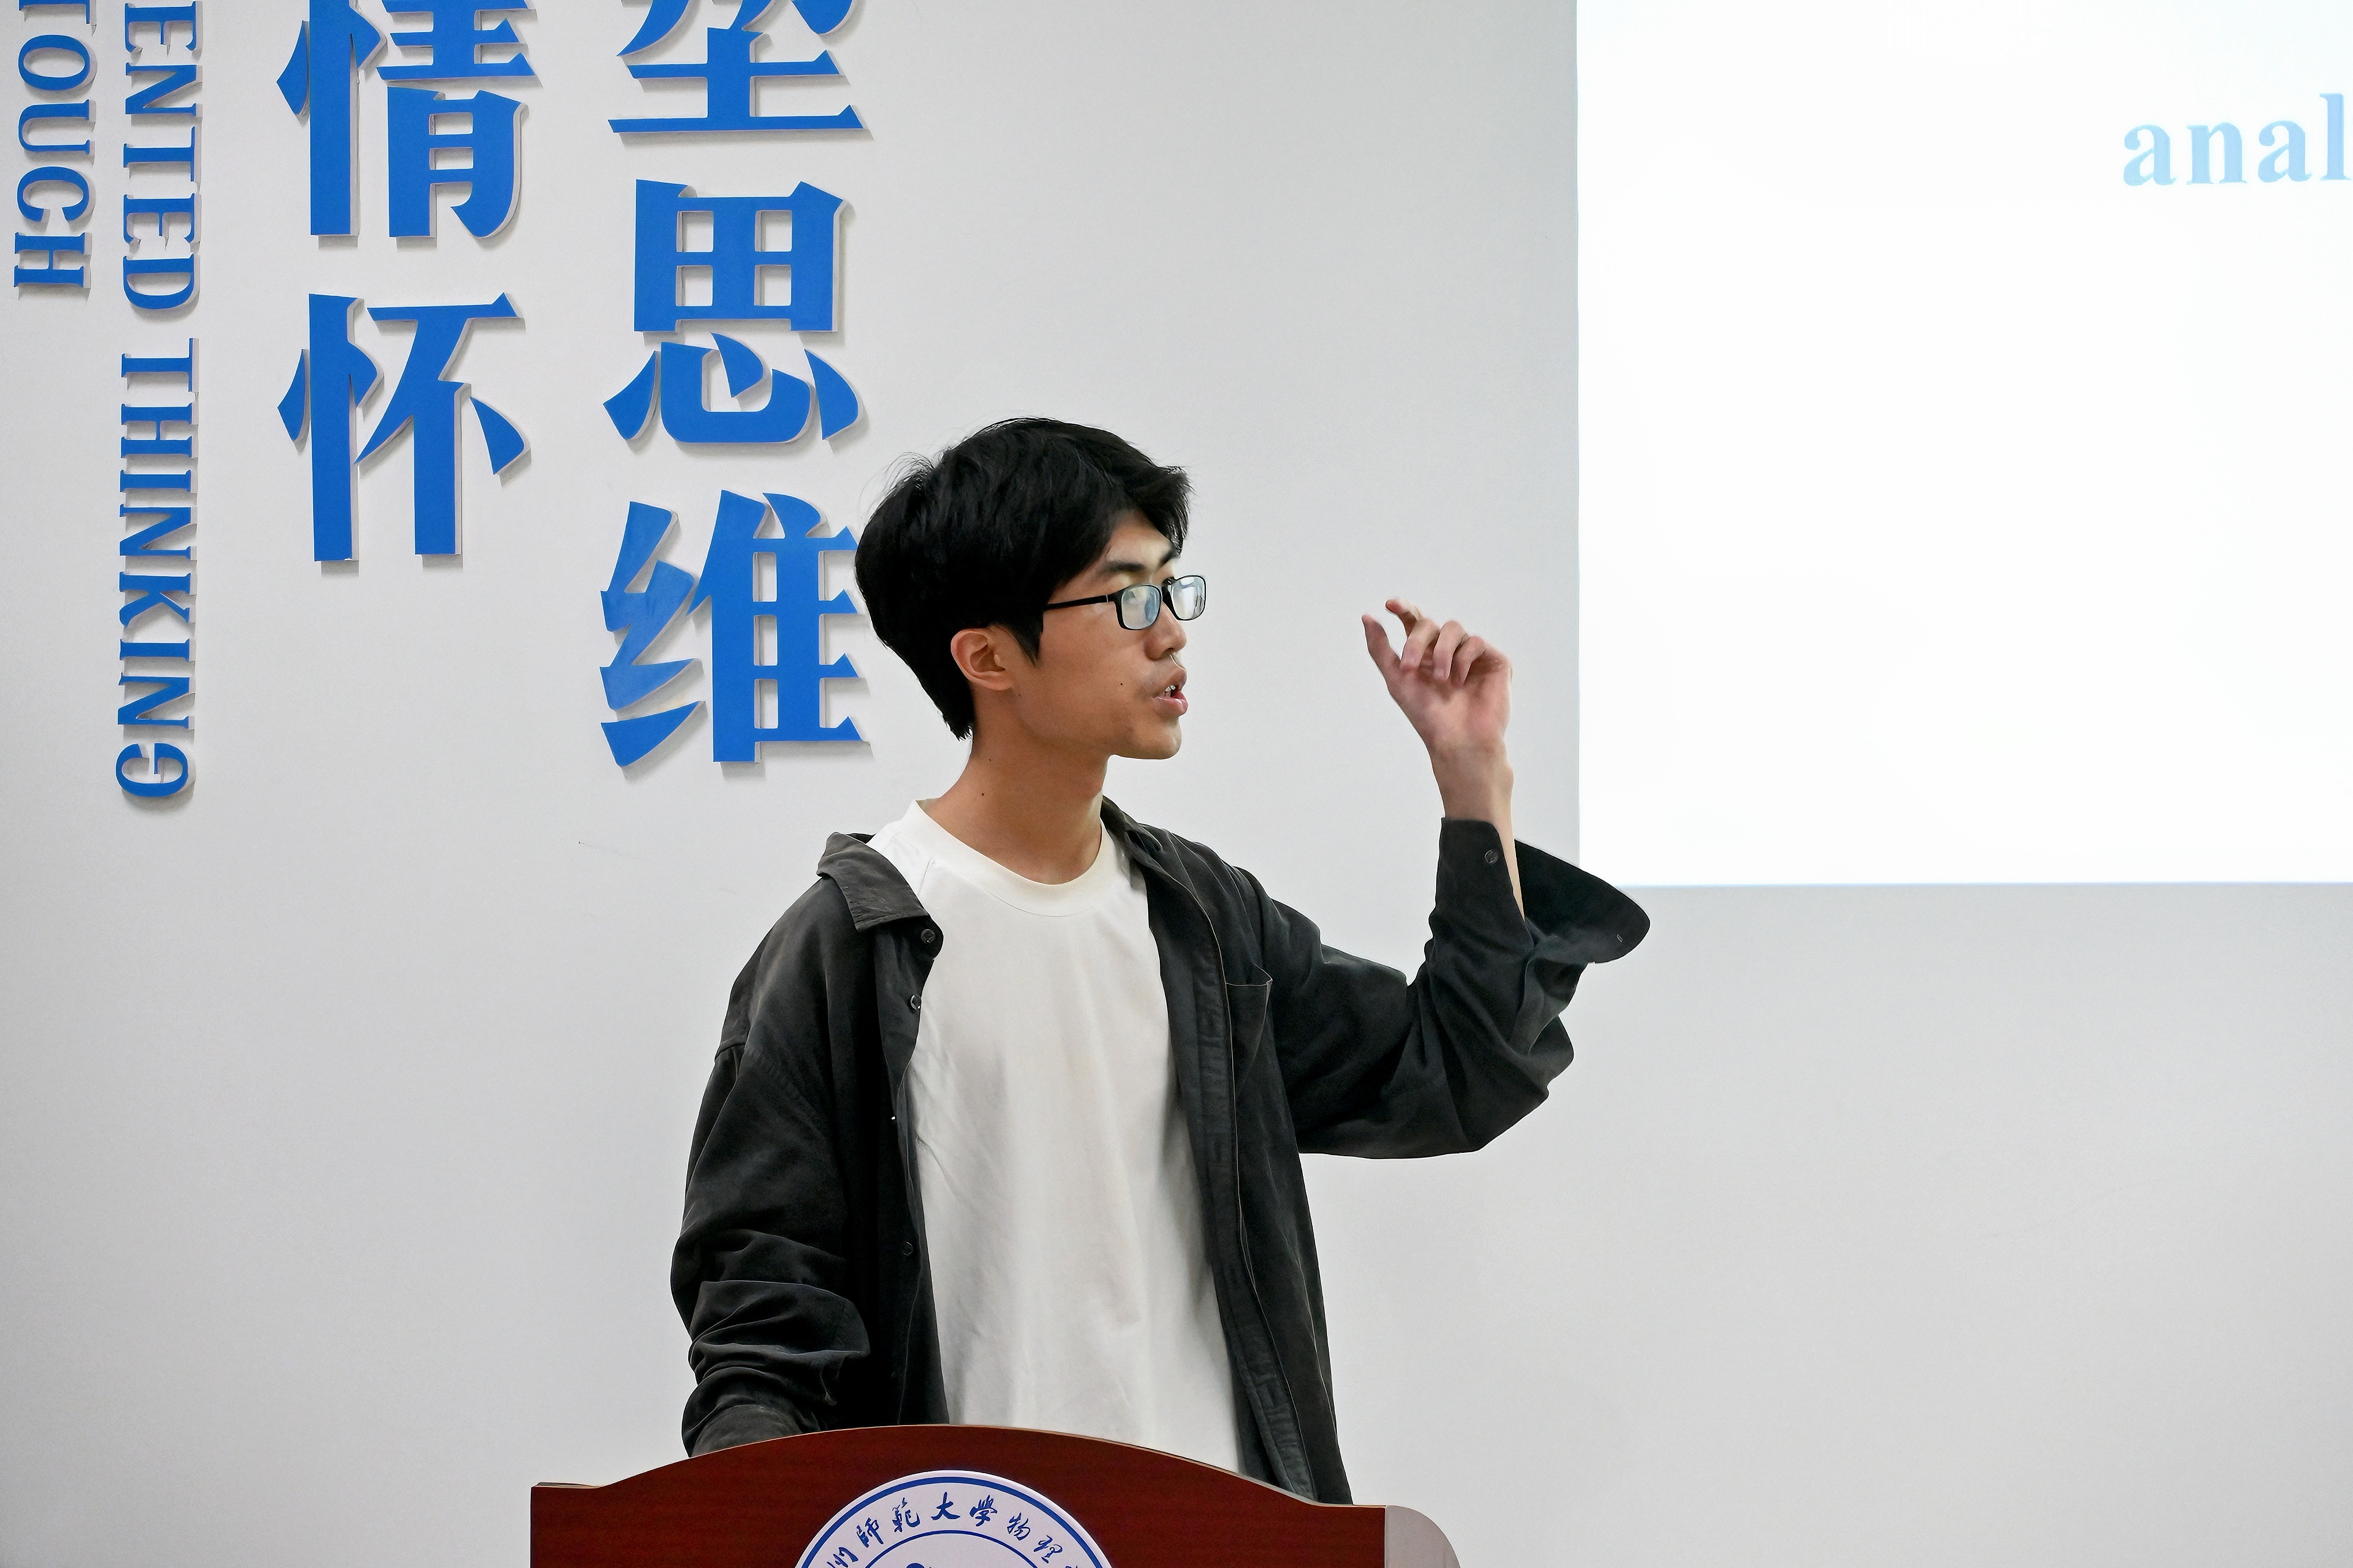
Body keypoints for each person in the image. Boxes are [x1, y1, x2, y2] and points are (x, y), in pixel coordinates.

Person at [670, 418, 1648, 1503]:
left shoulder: (1202, 922)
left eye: (1173, 587)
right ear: (987, 656)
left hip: (1228, 1536)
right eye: (1127, 596)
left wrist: (1475, 779)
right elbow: (763, 1339)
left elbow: (1453, 1070)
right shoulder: (848, 951)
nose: (1172, 631)